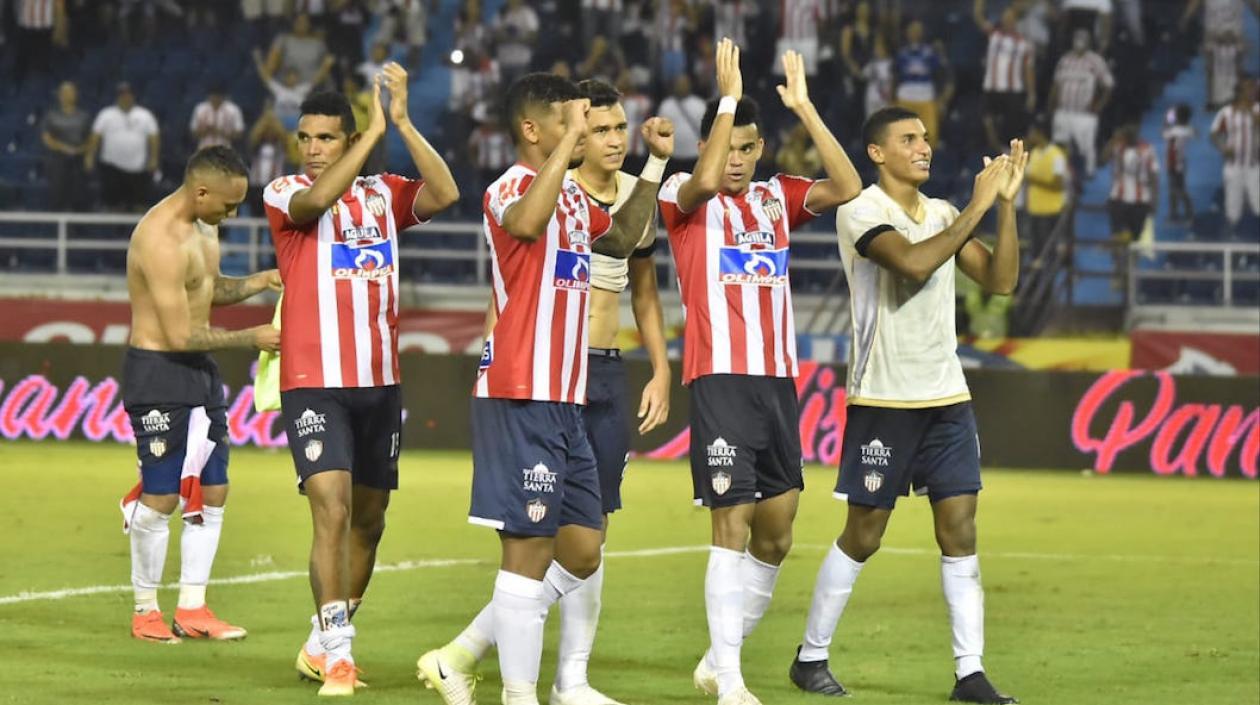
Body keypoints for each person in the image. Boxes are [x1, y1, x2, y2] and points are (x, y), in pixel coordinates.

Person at [415, 71, 671, 705]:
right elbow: (527, 225)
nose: (581, 129)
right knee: (526, 551)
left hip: (568, 393)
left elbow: (624, 234)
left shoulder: (579, 203)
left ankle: (466, 655)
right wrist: (570, 146)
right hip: (520, 391)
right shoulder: (510, 187)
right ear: (534, 130)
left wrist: (656, 168)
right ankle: (519, 695)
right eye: (569, 120)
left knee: (582, 547)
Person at [788, 106, 1025, 705]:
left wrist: (1005, 205)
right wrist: (977, 204)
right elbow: (916, 264)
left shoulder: (944, 214)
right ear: (877, 153)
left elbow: (1000, 282)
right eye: (909, 139)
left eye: (925, 139)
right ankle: (810, 656)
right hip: (884, 398)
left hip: (946, 396)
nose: (924, 147)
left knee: (960, 529)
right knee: (864, 534)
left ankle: (969, 673)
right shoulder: (861, 211)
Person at [658, 44, 863, 705]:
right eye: (730, 147)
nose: (738, 160)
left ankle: (720, 657)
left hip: (777, 382)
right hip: (718, 379)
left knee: (777, 532)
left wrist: (803, 105)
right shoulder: (682, 200)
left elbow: (851, 186)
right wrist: (725, 101)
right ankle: (732, 680)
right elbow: (704, 177)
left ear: (762, 148)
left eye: (749, 148)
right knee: (732, 524)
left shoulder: (778, 199)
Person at [261, 64, 459, 696]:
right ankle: (340, 656)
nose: (313, 150)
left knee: (369, 522)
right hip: (313, 382)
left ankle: (321, 642)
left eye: (326, 138)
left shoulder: (382, 197)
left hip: (379, 380)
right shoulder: (284, 193)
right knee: (333, 511)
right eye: (306, 138)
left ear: (345, 140)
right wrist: (373, 132)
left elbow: (446, 192)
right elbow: (317, 201)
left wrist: (399, 122)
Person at [120, 145, 281, 645]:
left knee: (213, 492)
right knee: (163, 497)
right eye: (228, 206)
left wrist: (263, 279)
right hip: (158, 371)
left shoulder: (204, 227)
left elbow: (208, 290)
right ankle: (145, 608)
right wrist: (249, 337)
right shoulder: (159, 238)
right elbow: (176, 335)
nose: (232, 215)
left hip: (199, 374)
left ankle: (193, 607)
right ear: (201, 191)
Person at [85, 82, 160, 212]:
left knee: (138, 205)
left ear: (133, 96)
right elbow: (95, 137)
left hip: (138, 168)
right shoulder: (106, 115)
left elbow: (154, 138)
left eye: (128, 95)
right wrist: (89, 156)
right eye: (122, 95)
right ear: (117, 97)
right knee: (113, 205)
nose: (125, 98)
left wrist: (153, 159)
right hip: (112, 168)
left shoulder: (145, 115)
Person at [1049, 29, 1113, 177]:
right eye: (1077, 38)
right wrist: (1051, 105)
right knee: (1059, 146)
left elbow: (1108, 85)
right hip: (1063, 111)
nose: (1079, 41)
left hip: (1084, 114)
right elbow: (1056, 84)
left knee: (1086, 147)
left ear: (1089, 42)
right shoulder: (1065, 60)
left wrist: (1099, 106)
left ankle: (1089, 174)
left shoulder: (1096, 61)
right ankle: (1060, 175)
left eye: (1083, 38)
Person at [974, 0, 1036, 153]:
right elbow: (978, 17)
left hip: (1012, 92)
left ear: (1016, 21)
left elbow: (1028, 70)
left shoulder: (1023, 43)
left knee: (1010, 131)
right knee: (987, 125)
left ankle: (1009, 158)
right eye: (1005, 18)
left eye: (1011, 18)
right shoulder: (994, 34)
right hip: (991, 90)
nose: (1008, 21)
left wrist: (1031, 94)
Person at [892, 20, 953, 149]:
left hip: (926, 97)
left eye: (918, 30)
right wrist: (892, 99)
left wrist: (942, 99)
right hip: (905, 97)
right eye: (912, 30)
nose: (915, 33)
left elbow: (942, 76)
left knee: (930, 136)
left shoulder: (930, 53)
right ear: (907, 33)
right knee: (901, 136)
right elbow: (894, 77)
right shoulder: (901, 54)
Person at [1211, 76, 1260, 233]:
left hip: (1254, 165)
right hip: (1234, 166)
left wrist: (1250, 111)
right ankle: (1232, 238)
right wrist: (1223, 148)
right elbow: (1214, 134)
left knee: (1258, 203)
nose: (1253, 91)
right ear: (1239, 91)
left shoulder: (1258, 110)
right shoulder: (1227, 112)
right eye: (1249, 88)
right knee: (1233, 207)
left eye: (1254, 88)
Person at [40, 80, 91, 212]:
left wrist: (82, 150)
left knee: (79, 194)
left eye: (70, 92)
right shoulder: (51, 116)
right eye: (64, 92)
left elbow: (90, 138)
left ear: (76, 94)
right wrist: (63, 148)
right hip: (58, 159)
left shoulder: (84, 116)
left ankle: (79, 226)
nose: (67, 95)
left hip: (79, 158)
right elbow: (47, 138)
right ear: (59, 95)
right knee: (58, 193)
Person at [1163, 104, 1195, 224]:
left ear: (1178, 117)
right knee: (1175, 189)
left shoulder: (1175, 131)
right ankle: (1174, 213)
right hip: (1177, 162)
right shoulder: (1186, 129)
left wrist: (1167, 119)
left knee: (1178, 190)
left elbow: (1164, 132)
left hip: (1175, 163)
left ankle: (1188, 212)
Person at [189, 84, 245, 151]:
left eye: (218, 96)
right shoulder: (200, 109)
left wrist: (221, 132)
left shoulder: (233, 109)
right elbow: (193, 133)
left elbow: (239, 134)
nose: (215, 99)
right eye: (212, 96)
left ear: (223, 97)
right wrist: (206, 131)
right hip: (204, 151)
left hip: (225, 151)